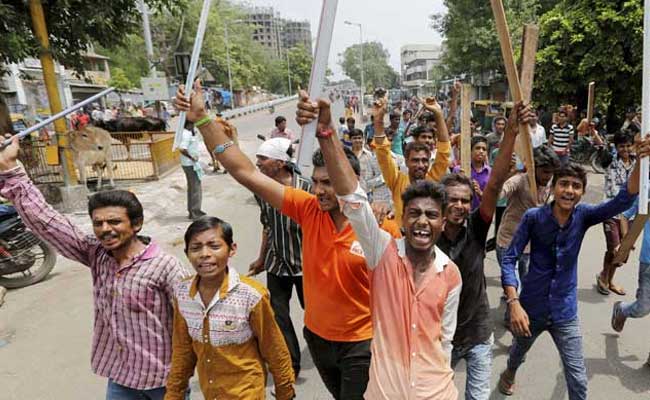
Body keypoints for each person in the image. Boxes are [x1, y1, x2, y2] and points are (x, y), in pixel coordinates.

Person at [174, 81, 401, 399]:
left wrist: (326, 131)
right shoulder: (309, 209)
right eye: (317, 182)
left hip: (363, 344)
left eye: (330, 183)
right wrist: (201, 118)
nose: (320, 190)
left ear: (353, 182)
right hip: (318, 340)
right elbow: (245, 173)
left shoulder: (381, 229)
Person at [296, 88, 462, 400]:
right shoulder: (382, 253)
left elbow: (445, 341)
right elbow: (353, 199)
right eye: (413, 214)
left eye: (431, 215)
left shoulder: (451, 274)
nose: (422, 221)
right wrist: (326, 132)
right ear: (404, 220)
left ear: (443, 221)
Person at [0, 136, 188, 399]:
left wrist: (184, 376)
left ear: (136, 225)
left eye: (114, 222)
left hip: (164, 380)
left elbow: (191, 323)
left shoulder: (165, 266)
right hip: (120, 378)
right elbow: (47, 221)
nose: (105, 230)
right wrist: (11, 167)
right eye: (98, 223)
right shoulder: (96, 253)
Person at [498, 134, 650, 399]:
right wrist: (513, 303)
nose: (569, 190)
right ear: (554, 188)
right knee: (518, 353)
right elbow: (510, 258)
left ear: (581, 192)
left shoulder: (584, 216)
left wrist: (641, 160)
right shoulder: (534, 217)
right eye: (564, 184)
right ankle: (509, 373)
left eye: (576, 186)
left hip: (565, 312)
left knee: (578, 380)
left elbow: (622, 201)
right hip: (530, 308)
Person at [437, 102, 532, 400]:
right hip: (440, 340)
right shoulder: (425, 240)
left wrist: (511, 133)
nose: (460, 206)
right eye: (452, 200)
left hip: (478, 335)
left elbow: (493, 185)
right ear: (440, 204)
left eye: (465, 201)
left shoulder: (477, 230)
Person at [165, 216, 295, 399]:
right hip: (211, 393)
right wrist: (173, 394)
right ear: (187, 253)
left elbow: (274, 348)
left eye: (214, 246)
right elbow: (182, 351)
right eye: (196, 248)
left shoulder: (251, 295)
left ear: (231, 249)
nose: (204, 254)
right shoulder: (182, 294)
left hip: (246, 393)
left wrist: (285, 391)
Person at [248, 137, 310, 378]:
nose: (259, 163)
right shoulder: (261, 190)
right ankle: (290, 366)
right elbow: (267, 225)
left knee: (314, 315)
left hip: (307, 265)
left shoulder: (307, 188)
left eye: (263, 159)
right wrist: (262, 258)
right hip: (277, 263)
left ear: (281, 162)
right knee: (279, 317)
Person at [374, 97, 451, 224]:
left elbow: (444, 152)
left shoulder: (433, 180)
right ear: (406, 161)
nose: (421, 165)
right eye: (415, 160)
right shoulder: (397, 181)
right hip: (401, 238)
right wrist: (378, 121)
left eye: (424, 160)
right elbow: (383, 153)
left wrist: (438, 114)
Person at [496, 145, 560, 297]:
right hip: (508, 243)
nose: (548, 176)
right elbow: (498, 194)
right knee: (515, 290)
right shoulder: (518, 180)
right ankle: (513, 316)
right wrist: (505, 174)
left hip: (532, 247)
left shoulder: (552, 186)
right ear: (533, 168)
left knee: (527, 286)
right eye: (545, 171)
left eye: (551, 172)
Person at [597, 132, 636, 295]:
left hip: (631, 214)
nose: (625, 149)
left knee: (623, 252)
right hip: (611, 211)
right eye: (622, 146)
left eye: (628, 145)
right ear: (616, 147)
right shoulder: (610, 161)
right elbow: (601, 149)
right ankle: (604, 279)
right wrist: (593, 132)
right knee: (615, 248)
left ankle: (607, 278)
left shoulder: (638, 162)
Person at [611, 198, 650, 359]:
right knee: (642, 308)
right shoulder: (647, 193)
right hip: (648, 262)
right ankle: (622, 309)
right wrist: (626, 241)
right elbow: (625, 215)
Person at [348, 128, 392, 204]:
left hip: (367, 194)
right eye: (354, 138)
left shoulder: (370, 155)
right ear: (350, 140)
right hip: (351, 193)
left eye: (359, 138)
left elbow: (379, 175)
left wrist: (369, 184)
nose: (357, 140)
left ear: (363, 139)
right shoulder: (347, 155)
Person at [452, 135, 491, 211]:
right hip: (460, 211)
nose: (481, 151)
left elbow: (492, 199)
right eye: (477, 148)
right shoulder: (459, 170)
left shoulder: (490, 172)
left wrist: (480, 193)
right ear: (470, 151)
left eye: (484, 149)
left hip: (481, 214)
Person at [178, 121, 206, 221]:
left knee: (192, 188)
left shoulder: (187, 133)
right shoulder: (186, 134)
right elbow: (182, 149)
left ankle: (193, 210)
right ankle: (195, 212)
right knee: (195, 188)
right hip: (190, 164)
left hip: (189, 163)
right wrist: (192, 157)